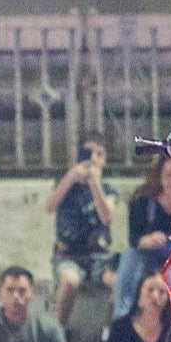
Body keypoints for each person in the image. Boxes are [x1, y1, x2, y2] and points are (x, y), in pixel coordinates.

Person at [111, 155, 171, 320]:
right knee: (130, 257)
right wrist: (148, 240)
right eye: (169, 175)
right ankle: (120, 317)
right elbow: (134, 240)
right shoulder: (143, 202)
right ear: (160, 177)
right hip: (148, 258)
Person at [46, 135, 116, 329]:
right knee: (70, 281)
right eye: (89, 153)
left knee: (120, 284)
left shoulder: (108, 189)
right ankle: (57, 334)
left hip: (98, 256)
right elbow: (49, 206)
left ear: (104, 159)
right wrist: (70, 177)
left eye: (99, 154)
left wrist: (95, 184)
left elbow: (106, 216)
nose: (94, 158)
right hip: (68, 255)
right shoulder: (66, 186)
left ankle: (108, 333)